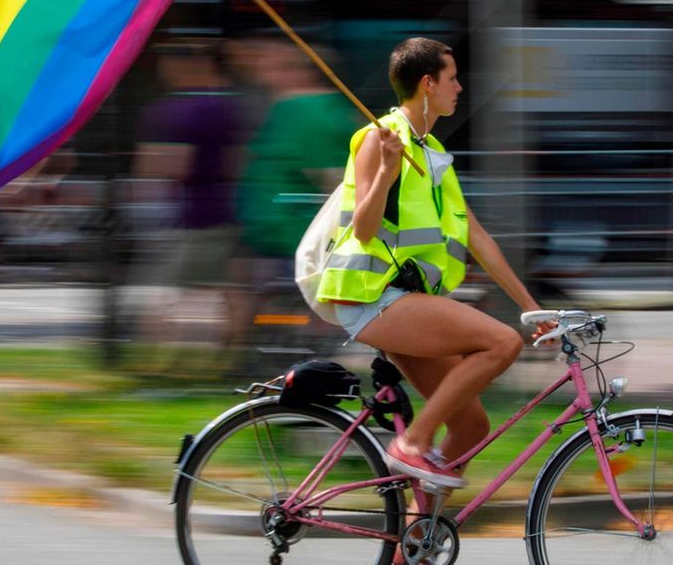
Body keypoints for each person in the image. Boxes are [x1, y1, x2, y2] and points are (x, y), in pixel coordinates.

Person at [315, 37, 555, 488]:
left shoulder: (431, 154)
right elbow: (364, 230)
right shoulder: (378, 139)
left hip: (405, 301)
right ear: (428, 84)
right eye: (452, 78)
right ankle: (411, 444)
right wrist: (386, 171)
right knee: (502, 344)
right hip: (371, 297)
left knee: (471, 428)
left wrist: (532, 307)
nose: (459, 88)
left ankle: (416, 544)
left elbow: (477, 238)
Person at [133, 40, 246, 348]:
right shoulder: (231, 105)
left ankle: (160, 361)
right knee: (230, 288)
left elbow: (173, 165)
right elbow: (238, 160)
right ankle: (236, 351)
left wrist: (149, 163)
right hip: (229, 210)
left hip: (193, 216)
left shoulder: (180, 110)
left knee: (168, 293)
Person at [237, 38, 358, 287]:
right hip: (279, 240)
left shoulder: (307, 112)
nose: (260, 72)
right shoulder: (291, 109)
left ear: (298, 71)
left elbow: (332, 180)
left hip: (298, 244)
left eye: (270, 65)